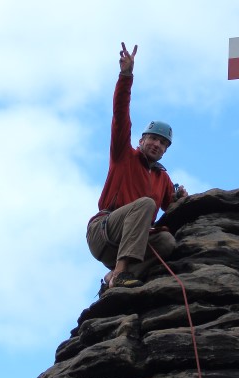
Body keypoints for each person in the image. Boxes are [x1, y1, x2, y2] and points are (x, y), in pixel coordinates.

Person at [86, 42, 187, 295]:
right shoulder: (124, 156)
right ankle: (120, 274)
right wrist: (126, 76)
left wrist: (179, 200)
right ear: (141, 141)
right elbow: (120, 114)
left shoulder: (163, 177)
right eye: (152, 138)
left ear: (166, 150)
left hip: (131, 242)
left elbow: (170, 209)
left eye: (163, 142)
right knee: (145, 204)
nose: (156, 144)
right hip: (104, 231)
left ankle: (112, 278)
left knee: (166, 242)